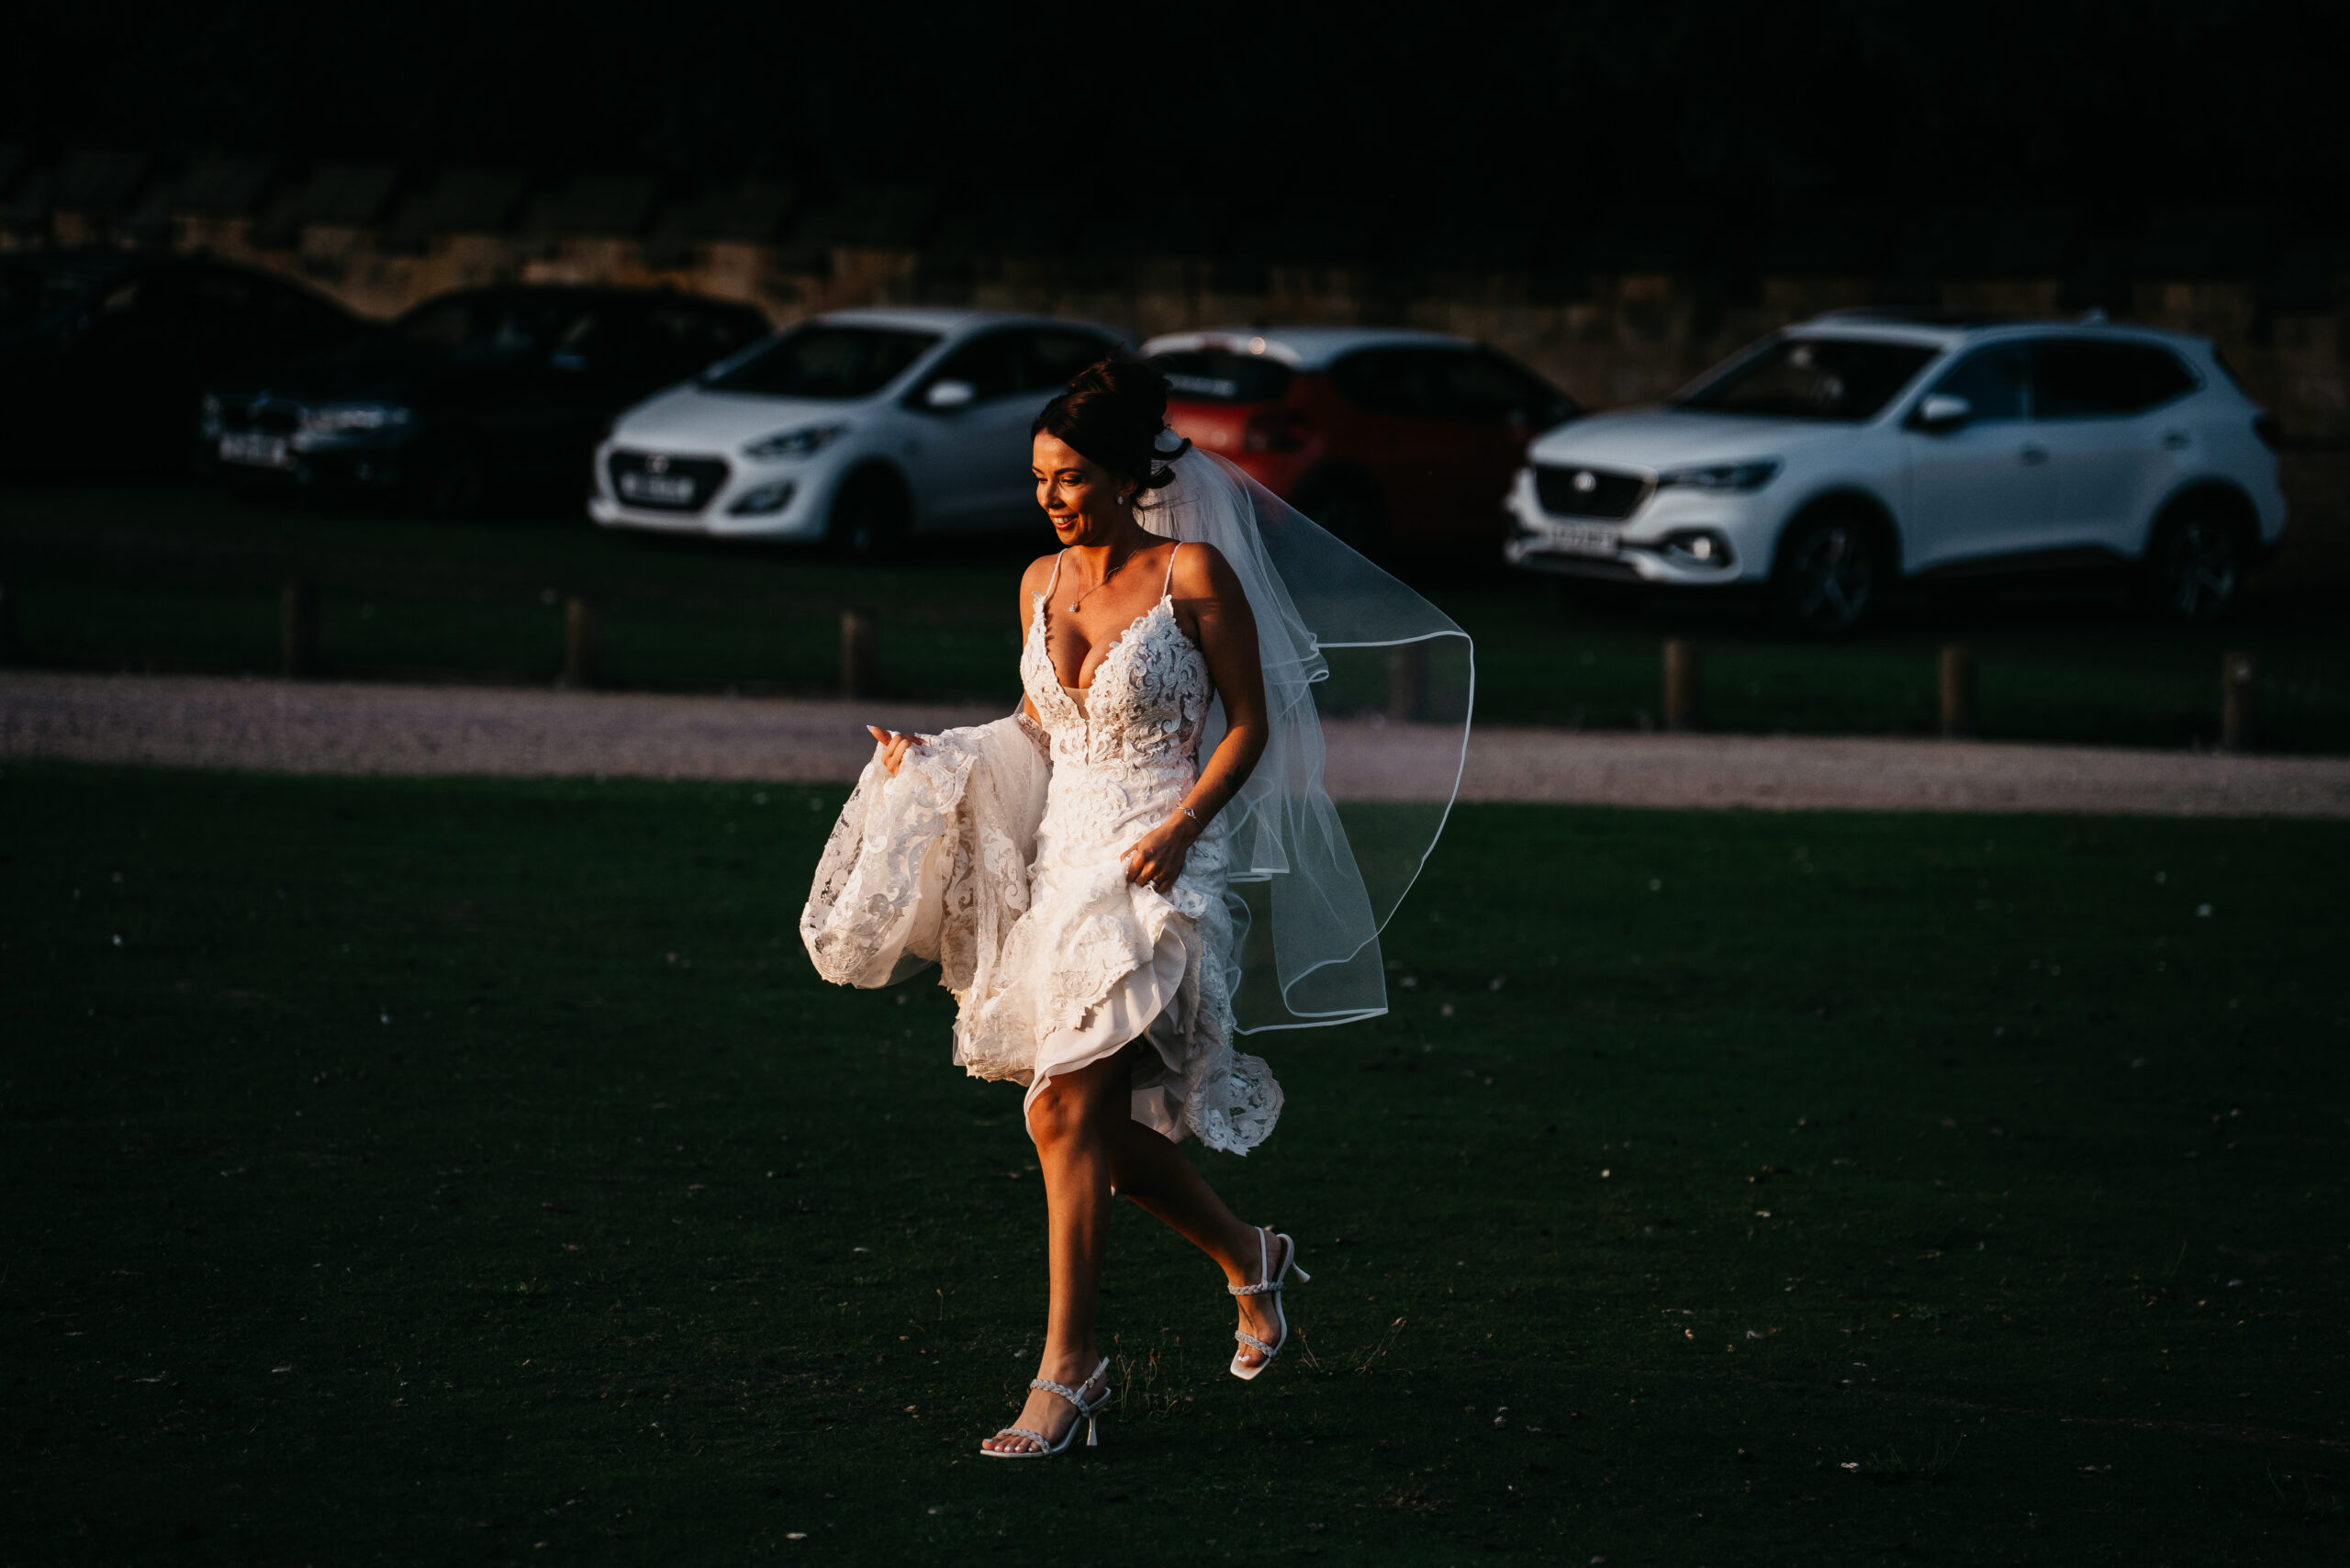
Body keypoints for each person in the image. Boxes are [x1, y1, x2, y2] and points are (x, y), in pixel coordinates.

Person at [801, 355, 1468, 1459]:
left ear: (1122, 474)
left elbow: (1249, 724)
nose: (1050, 497)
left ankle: (1069, 1370)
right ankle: (1250, 1254)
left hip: (1158, 865)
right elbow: (1036, 727)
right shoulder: (1036, 582)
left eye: (1068, 477)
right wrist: (932, 756)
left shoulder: (1190, 573)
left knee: (1062, 1113)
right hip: (1063, 865)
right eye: (1038, 479)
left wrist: (1185, 829)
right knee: (1077, 1124)